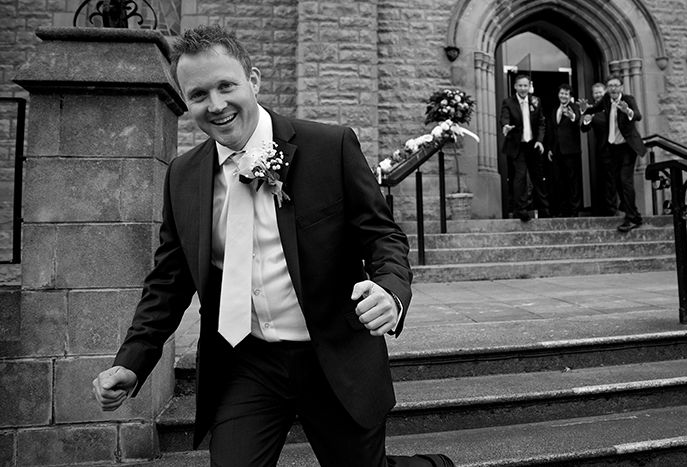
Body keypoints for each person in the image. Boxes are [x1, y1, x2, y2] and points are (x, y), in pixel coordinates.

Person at [92, 25, 455, 467]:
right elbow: (169, 280)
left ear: (255, 80)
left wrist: (391, 292)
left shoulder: (329, 146)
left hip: (332, 355)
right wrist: (132, 361)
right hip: (245, 364)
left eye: (226, 86)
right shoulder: (183, 175)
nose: (217, 105)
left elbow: (383, 236)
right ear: (186, 102)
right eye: (199, 94)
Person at [578, 75, 646, 232]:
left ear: (621, 87)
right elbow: (593, 109)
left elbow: (637, 115)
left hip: (628, 147)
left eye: (616, 85)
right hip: (613, 148)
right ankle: (635, 214)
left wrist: (626, 110)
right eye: (610, 86)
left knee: (625, 180)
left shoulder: (628, 99)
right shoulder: (607, 99)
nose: (613, 88)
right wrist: (583, 108)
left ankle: (630, 218)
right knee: (617, 181)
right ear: (608, 89)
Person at [500, 74, 550, 222]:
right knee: (520, 177)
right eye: (520, 86)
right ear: (515, 86)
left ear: (529, 87)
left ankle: (544, 210)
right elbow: (504, 118)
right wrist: (505, 126)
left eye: (525, 86)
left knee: (538, 178)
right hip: (518, 146)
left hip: (533, 145)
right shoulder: (508, 102)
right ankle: (520, 211)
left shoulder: (536, 101)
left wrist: (540, 141)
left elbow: (541, 123)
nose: (523, 88)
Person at [581, 82, 618, 216]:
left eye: (600, 92)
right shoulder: (592, 110)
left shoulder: (614, 105)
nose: (598, 95)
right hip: (604, 150)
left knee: (622, 179)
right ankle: (611, 209)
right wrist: (586, 120)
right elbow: (584, 129)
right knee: (608, 180)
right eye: (595, 93)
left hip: (619, 147)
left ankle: (625, 206)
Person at [547, 84, 582, 217]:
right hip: (556, 152)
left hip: (571, 151)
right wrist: (550, 148)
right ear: (558, 94)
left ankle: (574, 210)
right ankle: (563, 209)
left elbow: (577, 118)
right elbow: (552, 130)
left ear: (570, 96)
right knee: (559, 182)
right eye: (562, 93)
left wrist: (572, 116)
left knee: (573, 182)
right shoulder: (554, 109)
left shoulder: (575, 108)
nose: (563, 96)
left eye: (566, 94)